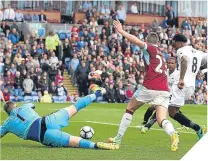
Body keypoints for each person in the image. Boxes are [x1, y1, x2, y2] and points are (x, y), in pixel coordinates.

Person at [108, 20, 179, 152]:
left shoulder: (150, 48)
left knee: (130, 109)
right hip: (164, 89)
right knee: (161, 119)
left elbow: (136, 41)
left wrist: (121, 31)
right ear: (158, 42)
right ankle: (173, 134)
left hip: (150, 86)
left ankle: (118, 138)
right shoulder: (161, 53)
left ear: (147, 41)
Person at [0, 85, 119, 150]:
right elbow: (33, 105)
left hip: (44, 137)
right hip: (48, 121)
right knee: (74, 107)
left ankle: (96, 145)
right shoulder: (24, 106)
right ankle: (97, 93)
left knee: (73, 141)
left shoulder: (7, 124)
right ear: (15, 106)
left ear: (7, 112)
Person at [166, 34, 206, 139]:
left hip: (181, 85)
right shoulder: (198, 52)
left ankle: (197, 128)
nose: (173, 45)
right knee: (174, 110)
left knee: (171, 111)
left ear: (180, 42)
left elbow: (184, 60)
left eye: (174, 42)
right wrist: (201, 70)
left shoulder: (181, 50)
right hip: (191, 87)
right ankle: (197, 128)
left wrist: (181, 79)